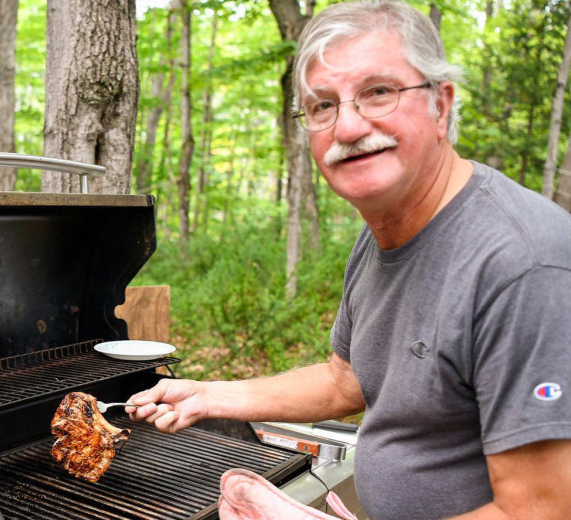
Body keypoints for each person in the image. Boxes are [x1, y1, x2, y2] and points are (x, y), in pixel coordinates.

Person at [127, 1, 571, 519]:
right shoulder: (385, 229)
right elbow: (348, 379)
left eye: (378, 92)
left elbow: (540, 510)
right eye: (322, 106)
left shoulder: (523, 266)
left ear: (441, 105)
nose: (348, 127)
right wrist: (207, 396)